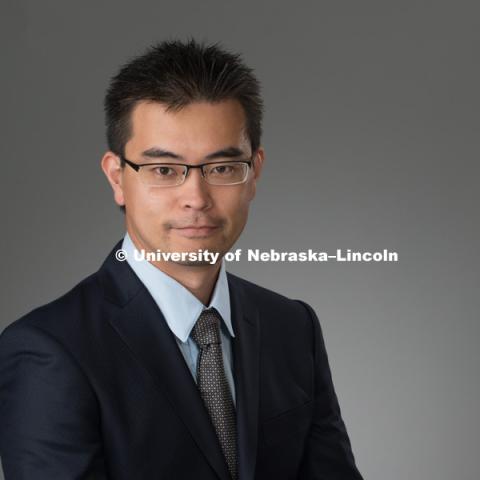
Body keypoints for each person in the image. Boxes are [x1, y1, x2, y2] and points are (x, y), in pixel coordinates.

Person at [0, 39, 364, 480]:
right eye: (164, 170)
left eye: (223, 168)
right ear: (118, 178)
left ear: (254, 174)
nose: (196, 198)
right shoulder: (50, 351)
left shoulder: (292, 327)